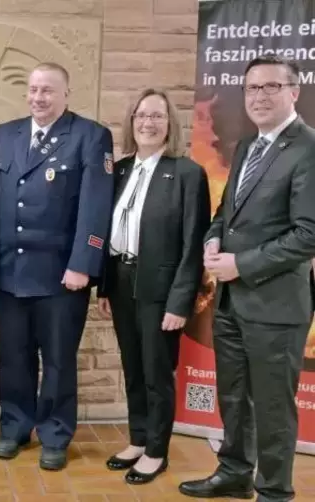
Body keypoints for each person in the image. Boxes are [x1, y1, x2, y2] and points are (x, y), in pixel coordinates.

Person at [179, 55, 315, 501]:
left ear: (294, 92)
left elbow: (307, 234)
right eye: (252, 88)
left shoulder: (308, 149)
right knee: (234, 397)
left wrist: (243, 264)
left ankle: (275, 490)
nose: (259, 96)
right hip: (231, 304)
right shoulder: (245, 147)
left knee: (274, 407)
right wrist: (213, 241)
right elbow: (225, 216)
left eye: (271, 87)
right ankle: (235, 471)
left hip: (275, 306)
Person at [0, 62, 114, 471]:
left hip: (62, 274)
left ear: (66, 94)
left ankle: (56, 433)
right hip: (10, 269)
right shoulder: (6, 134)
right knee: (13, 355)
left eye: (47, 90)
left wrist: (83, 263)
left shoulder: (90, 136)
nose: (38, 98)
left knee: (58, 358)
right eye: (33, 89)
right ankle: (14, 426)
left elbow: (95, 208)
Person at [96, 88, 210, 484]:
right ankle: (139, 438)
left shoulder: (187, 173)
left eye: (157, 116)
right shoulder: (122, 170)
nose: (148, 122)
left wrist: (179, 302)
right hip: (123, 280)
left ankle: (157, 450)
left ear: (169, 125)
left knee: (157, 371)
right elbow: (109, 230)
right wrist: (105, 287)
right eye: (141, 115)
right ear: (131, 122)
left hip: (161, 289)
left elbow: (192, 244)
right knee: (132, 366)